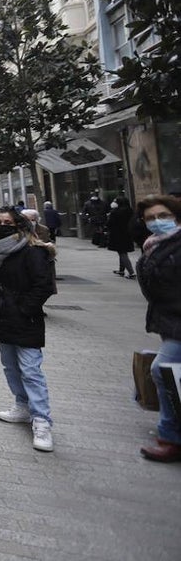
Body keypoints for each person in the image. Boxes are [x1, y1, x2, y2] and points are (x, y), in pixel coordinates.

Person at [0, 208, 57, 452]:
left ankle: (42, 421)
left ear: (19, 225)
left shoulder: (32, 250)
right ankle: (22, 406)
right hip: (3, 319)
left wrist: (24, 308)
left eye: (8, 222)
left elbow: (43, 285)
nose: (2, 225)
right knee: (10, 366)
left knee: (31, 370)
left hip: (25, 320)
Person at [133, 195, 181, 463]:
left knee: (162, 370)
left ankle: (170, 437)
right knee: (171, 373)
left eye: (163, 216)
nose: (157, 221)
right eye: (150, 218)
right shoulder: (154, 244)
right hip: (168, 320)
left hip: (177, 321)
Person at [108, 196, 136, 279]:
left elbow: (109, 223)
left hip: (117, 234)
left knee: (122, 253)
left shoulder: (115, 212)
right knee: (123, 252)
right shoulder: (130, 211)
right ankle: (121, 270)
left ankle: (131, 272)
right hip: (127, 234)